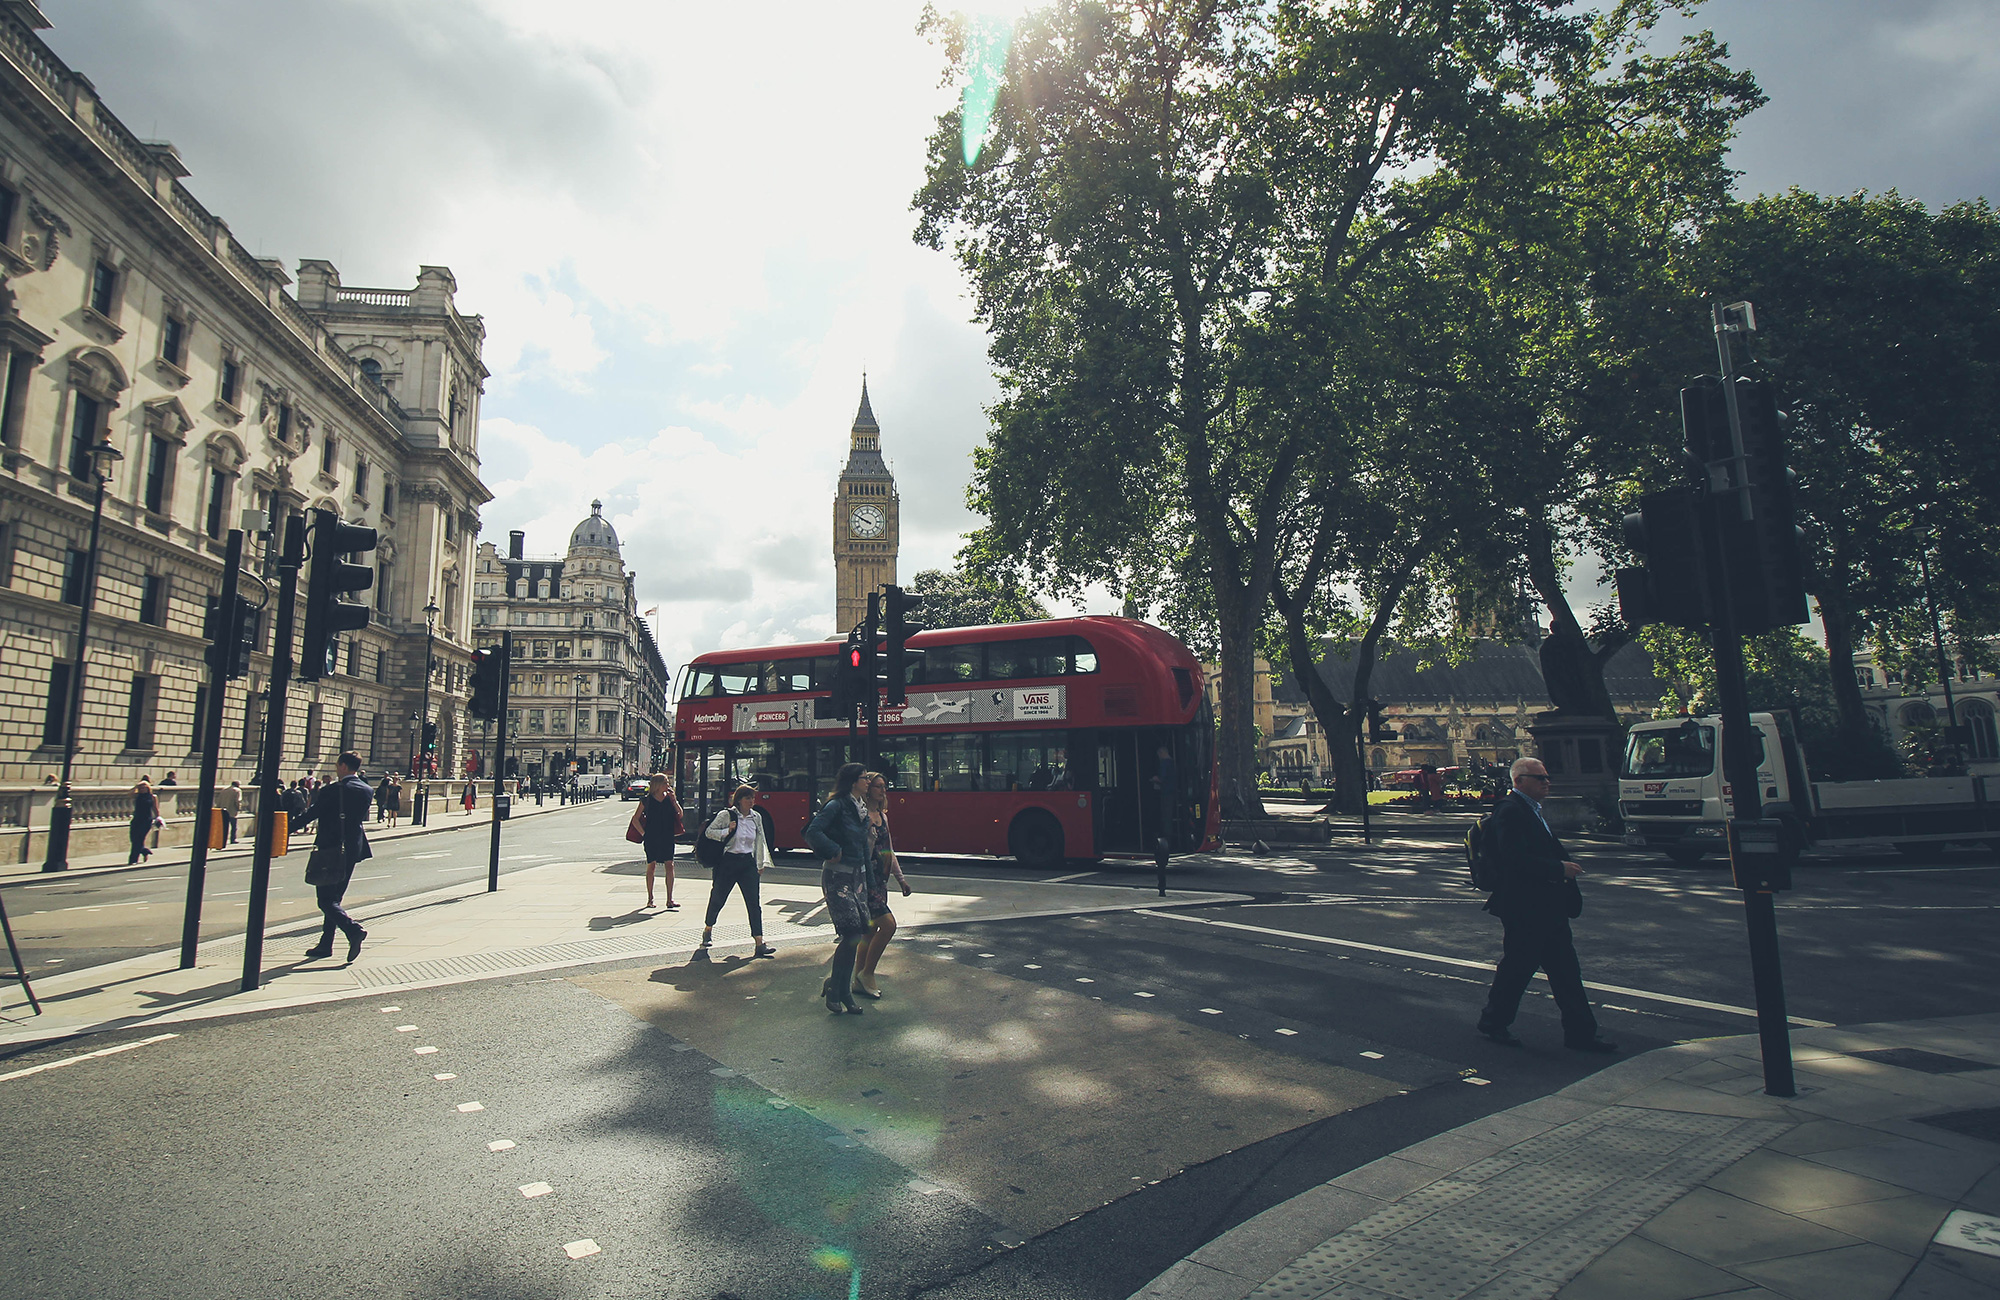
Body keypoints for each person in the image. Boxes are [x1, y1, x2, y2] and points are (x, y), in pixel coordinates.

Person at [1476, 756, 1616, 1053]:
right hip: (1526, 906)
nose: (1547, 782)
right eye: (1540, 778)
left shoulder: (1530, 810)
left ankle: (1580, 1033)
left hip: (1544, 904)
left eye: (1547, 777)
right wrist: (1558, 869)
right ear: (1519, 781)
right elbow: (1513, 858)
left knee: (1563, 970)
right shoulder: (1511, 811)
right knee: (1519, 968)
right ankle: (1494, 1021)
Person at [291, 751, 375, 962]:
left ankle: (352, 930)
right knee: (335, 898)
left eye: (338, 765)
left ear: (344, 766)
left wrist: (284, 828)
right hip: (353, 848)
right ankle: (325, 944)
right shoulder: (366, 790)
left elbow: (312, 814)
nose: (336, 769)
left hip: (330, 848)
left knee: (325, 900)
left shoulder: (333, 791)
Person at [805, 762, 873, 1015]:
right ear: (853, 781)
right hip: (837, 878)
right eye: (864, 778)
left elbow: (865, 847)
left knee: (857, 936)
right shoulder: (837, 805)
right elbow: (813, 831)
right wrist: (833, 850)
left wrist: (871, 882)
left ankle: (840, 988)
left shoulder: (861, 808)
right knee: (851, 934)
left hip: (857, 878)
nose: (868, 782)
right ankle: (838, 990)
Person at [699, 785, 777, 959]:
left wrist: (760, 863)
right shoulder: (726, 815)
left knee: (753, 903)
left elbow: (760, 840)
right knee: (718, 897)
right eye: (748, 798)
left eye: (753, 798)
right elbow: (709, 832)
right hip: (728, 862)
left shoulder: (756, 817)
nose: (751, 801)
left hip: (748, 863)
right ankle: (708, 928)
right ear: (739, 799)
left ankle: (759, 943)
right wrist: (728, 830)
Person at [852, 771, 911, 999]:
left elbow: (888, 851)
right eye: (877, 786)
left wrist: (901, 879)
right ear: (868, 789)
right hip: (866, 882)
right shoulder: (863, 816)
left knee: (869, 931)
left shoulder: (883, 817)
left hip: (881, 880)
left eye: (884, 786)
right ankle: (868, 973)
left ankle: (859, 978)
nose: (882, 790)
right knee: (888, 926)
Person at [638, 773, 685, 910]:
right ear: (658, 785)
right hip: (651, 837)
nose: (668, 785)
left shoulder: (669, 799)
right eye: (665, 782)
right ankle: (650, 898)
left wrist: (674, 800)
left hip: (667, 836)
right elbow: (636, 819)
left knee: (669, 865)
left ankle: (670, 899)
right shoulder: (646, 800)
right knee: (651, 865)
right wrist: (644, 834)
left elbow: (680, 815)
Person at [127, 778, 161, 864]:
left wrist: (158, 818)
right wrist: (136, 785)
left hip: (146, 820)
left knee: (139, 839)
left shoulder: (153, 797)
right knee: (134, 839)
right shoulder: (137, 795)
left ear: (148, 788)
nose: (142, 789)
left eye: (144, 788)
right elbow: (129, 794)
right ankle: (144, 851)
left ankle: (133, 860)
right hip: (136, 819)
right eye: (141, 788)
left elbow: (155, 808)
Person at [218, 780, 243, 846]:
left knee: (224, 827)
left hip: (223, 810)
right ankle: (233, 839)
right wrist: (239, 808)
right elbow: (238, 801)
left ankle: (222, 840)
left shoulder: (224, 790)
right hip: (232, 811)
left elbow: (219, 800)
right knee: (234, 826)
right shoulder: (237, 791)